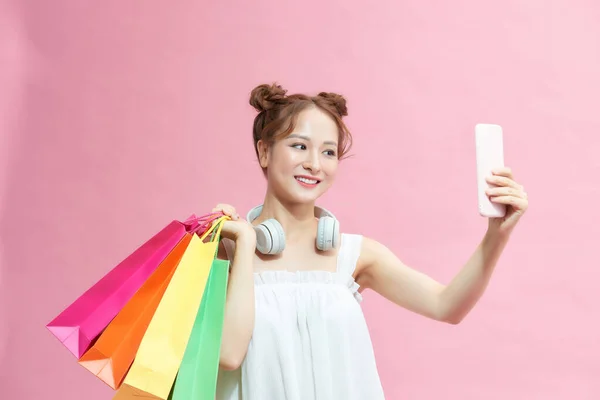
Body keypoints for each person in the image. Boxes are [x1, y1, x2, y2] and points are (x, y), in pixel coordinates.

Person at [212, 83, 529, 399]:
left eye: (329, 151)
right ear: (264, 151)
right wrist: (243, 243)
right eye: (299, 146)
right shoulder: (227, 248)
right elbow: (228, 355)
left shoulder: (357, 254)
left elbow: (446, 306)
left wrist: (497, 235)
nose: (315, 164)